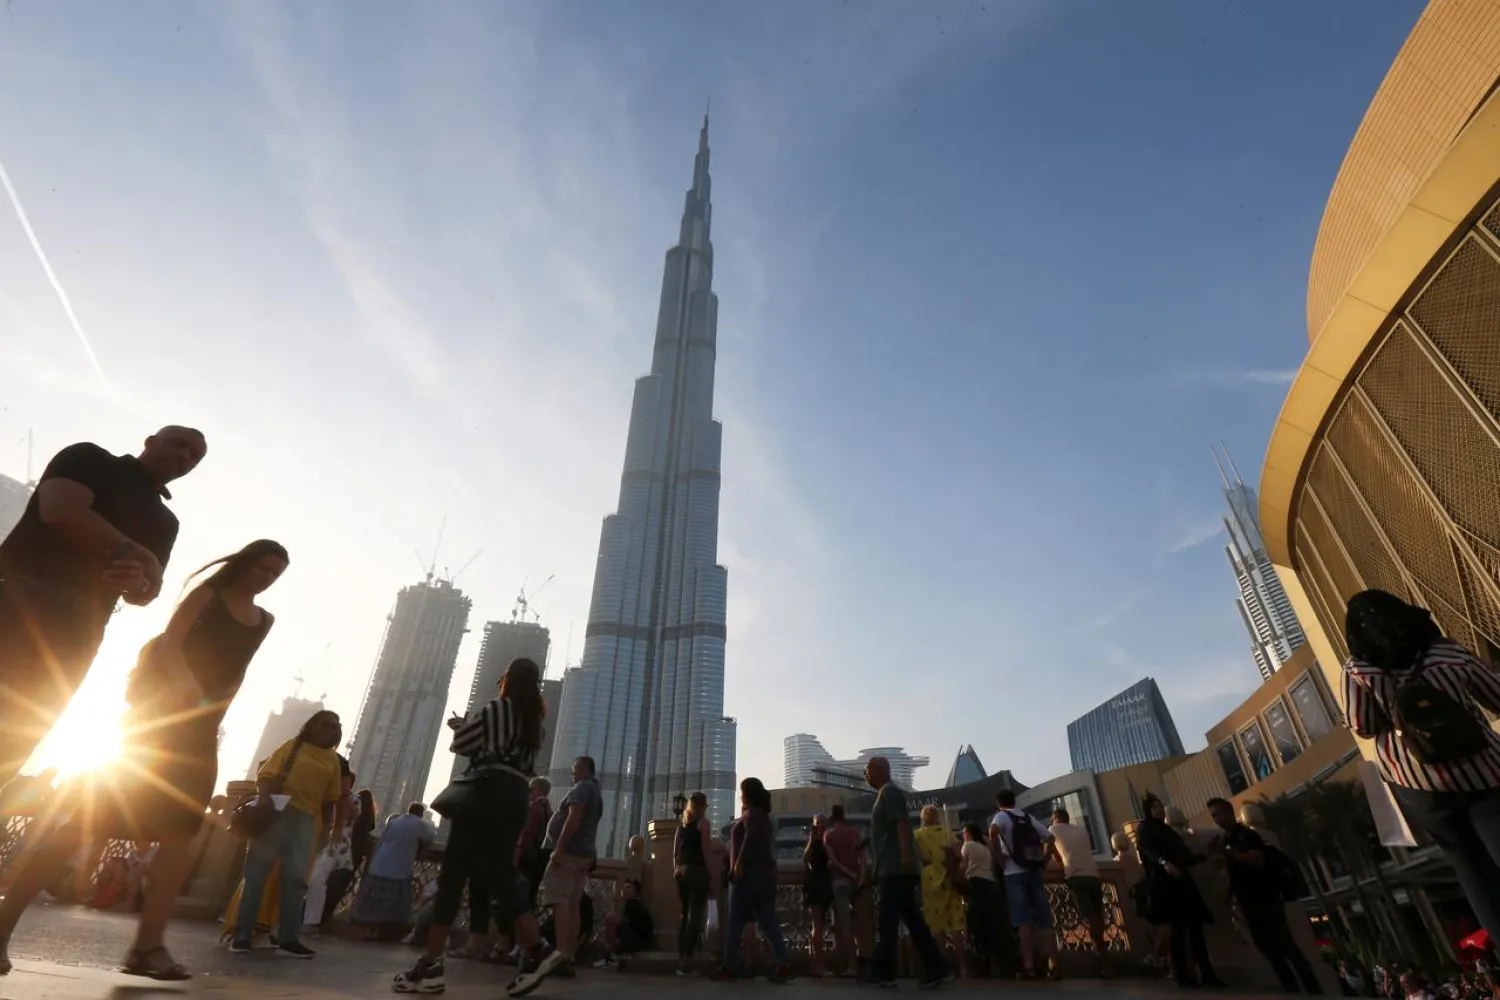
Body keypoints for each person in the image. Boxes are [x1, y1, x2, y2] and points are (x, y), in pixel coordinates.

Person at [0, 537, 285, 980]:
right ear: (244, 563)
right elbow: (170, 641)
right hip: (158, 721)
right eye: (262, 568)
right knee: (83, 825)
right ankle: (2, 926)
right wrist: (188, 688)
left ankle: (148, 948)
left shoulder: (264, 621)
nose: (266, 579)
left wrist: (215, 713)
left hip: (202, 734)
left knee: (179, 838)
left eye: (275, 574)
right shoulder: (207, 594)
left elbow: (239, 669)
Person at [0, 427, 206, 785]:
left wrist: (135, 582)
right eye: (180, 444)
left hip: (79, 633)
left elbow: (146, 590)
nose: (186, 457)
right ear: (150, 440)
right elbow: (60, 510)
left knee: (14, 741)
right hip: (17, 599)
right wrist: (134, 552)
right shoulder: (90, 458)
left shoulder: (165, 521)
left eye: (194, 457)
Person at [392, 658, 561, 997]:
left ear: (507, 682)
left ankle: (431, 964)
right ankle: (540, 950)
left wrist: (462, 726)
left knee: (454, 875)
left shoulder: (496, 709)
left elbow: (463, 745)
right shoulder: (536, 724)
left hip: (485, 790)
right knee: (500, 875)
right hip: (516, 797)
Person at [1342, 590, 1500, 942]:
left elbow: (1361, 725)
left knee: (1472, 870)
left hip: (1419, 785)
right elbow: (1496, 695)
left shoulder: (1358, 669)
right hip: (1483, 769)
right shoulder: (1447, 651)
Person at [226, 710, 347, 959]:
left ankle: (288, 938)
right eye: (326, 724)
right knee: (256, 876)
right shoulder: (292, 746)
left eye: (336, 726)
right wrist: (267, 802)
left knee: (295, 881)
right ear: (311, 726)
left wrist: (327, 828)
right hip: (275, 813)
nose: (332, 729)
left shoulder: (333, 760)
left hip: (306, 822)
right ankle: (241, 936)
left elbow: (331, 798)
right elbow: (267, 775)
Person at [1206, 796, 1321, 993]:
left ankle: (1312, 989)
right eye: (1213, 816)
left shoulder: (1246, 835)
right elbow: (1233, 870)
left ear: (1228, 813)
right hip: (1247, 901)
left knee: (1286, 945)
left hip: (1265, 898)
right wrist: (1229, 891)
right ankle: (1292, 988)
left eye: (1217, 814)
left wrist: (1228, 853)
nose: (1216, 819)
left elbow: (1257, 859)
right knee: (1267, 947)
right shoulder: (1227, 839)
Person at [865, 756, 950, 989]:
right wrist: (866, 841)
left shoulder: (889, 793)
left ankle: (884, 972)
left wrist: (904, 856)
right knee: (912, 919)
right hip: (893, 867)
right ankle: (937, 967)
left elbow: (902, 824)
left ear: (881, 770)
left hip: (894, 868)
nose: (866, 775)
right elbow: (888, 831)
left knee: (888, 919)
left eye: (868, 770)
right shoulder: (885, 794)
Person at [1134, 793, 1223, 989]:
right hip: (1166, 885)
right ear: (1148, 810)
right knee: (1178, 930)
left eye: (1160, 806)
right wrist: (1165, 863)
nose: (1159, 809)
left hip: (1184, 883)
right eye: (1155, 806)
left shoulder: (1169, 832)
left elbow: (1189, 858)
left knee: (1196, 930)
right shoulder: (1145, 827)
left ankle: (1207, 974)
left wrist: (1208, 851)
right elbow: (1147, 849)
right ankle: (1182, 975)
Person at [713, 777, 791, 982]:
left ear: (747, 794)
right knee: (767, 921)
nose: (740, 796)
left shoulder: (751, 815)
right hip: (763, 876)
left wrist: (738, 863)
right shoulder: (762, 816)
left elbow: (750, 838)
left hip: (747, 877)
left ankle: (729, 965)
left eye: (742, 792)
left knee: (736, 922)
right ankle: (784, 962)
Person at [539, 756, 603, 978]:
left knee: (560, 901)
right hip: (583, 855)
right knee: (574, 904)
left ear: (587, 769)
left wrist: (559, 848)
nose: (573, 773)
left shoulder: (583, 787)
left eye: (576, 769)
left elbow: (574, 817)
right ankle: (567, 955)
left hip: (569, 853)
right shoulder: (596, 791)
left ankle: (559, 955)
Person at [990, 789, 1056, 980]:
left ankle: (1029, 967)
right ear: (1014, 800)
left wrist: (999, 857)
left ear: (999, 803)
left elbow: (993, 833)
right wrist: (1045, 859)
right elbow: (1050, 838)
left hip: (1014, 873)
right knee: (1044, 920)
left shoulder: (1001, 816)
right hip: (1034, 872)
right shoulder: (1027, 817)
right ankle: (1052, 965)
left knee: (1022, 921)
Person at [353, 803, 435, 942]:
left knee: (374, 900)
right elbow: (430, 837)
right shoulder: (419, 824)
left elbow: (381, 841)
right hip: (399, 867)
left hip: (379, 863)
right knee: (390, 902)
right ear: (421, 814)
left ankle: (369, 931)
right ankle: (383, 932)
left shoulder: (395, 821)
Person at [1050, 807, 1110, 976]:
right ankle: (1103, 956)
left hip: (1076, 877)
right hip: (1093, 875)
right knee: (1098, 917)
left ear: (1055, 819)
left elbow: (1055, 855)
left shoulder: (1052, 830)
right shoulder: (1081, 830)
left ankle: (1103, 960)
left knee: (1090, 919)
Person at [915, 806, 968, 978]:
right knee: (955, 926)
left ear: (923, 818)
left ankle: (943, 969)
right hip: (948, 876)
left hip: (929, 878)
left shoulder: (917, 835)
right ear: (938, 817)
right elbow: (959, 854)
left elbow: (919, 857)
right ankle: (964, 969)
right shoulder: (946, 832)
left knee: (936, 927)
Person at [674, 790, 712, 976]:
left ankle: (681, 959)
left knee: (683, 916)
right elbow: (706, 850)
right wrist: (711, 874)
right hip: (697, 870)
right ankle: (687, 963)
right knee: (694, 917)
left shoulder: (682, 825)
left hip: (681, 871)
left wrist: (677, 869)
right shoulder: (703, 824)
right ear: (702, 806)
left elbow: (675, 852)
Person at [961, 822, 1004, 976]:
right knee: (993, 925)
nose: (963, 835)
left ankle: (983, 962)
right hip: (992, 887)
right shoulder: (986, 848)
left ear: (969, 833)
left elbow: (963, 868)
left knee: (977, 925)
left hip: (976, 886)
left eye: (964, 832)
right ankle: (995, 964)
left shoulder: (968, 846)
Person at [822, 804, 860, 975]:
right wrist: (858, 876)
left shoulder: (828, 835)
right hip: (857, 883)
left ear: (832, 817)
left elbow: (833, 861)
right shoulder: (854, 833)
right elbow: (863, 858)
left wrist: (847, 872)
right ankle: (857, 959)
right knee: (859, 923)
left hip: (839, 882)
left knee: (845, 926)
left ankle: (851, 965)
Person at [593, 878, 654, 969]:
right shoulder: (630, 905)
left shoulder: (633, 905)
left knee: (610, 919)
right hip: (636, 940)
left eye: (628, 887)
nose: (624, 889)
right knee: (610, 921)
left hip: (639, 942)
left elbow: (628, 925)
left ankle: (613, 958)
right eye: (624, 887)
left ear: (635, 893)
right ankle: (613, 956)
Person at [803, 814, 835, 977]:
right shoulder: (818, 844)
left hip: (816, 887)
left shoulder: (813, 843)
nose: (821, 826)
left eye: (823, 823)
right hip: (818, 888)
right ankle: (818, 965)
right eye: (818, 823)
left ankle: (814, 963)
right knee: (818, 927)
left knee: (817, 926)